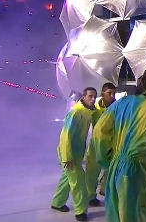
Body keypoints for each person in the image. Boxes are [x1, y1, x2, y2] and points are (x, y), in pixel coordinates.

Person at [92, 66, 146, 222]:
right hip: (137, 172)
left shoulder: (122, 102)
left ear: (144, 83)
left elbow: (99, 132)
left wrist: (106, 160)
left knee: (116, 215)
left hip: (115, 168)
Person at [51, 87, 97, 222]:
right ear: (83, 97)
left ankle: (57, 202)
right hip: (69, 154)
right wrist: (67, 158)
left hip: (75, 153)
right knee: (78, 181)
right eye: (90, 96)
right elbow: (65, 137)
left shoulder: (87, 112)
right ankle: (80, 211)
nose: (92, 99)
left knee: (67, 179)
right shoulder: (76, 113)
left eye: (94, 96)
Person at [85, 83, 117, 207]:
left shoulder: (117, 106)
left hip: (110, 143)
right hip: (95, 145)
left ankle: (105, 190)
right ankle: (90, 196)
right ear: (103, 94)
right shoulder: (94, 108)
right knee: (91, 173)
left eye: (113, 93)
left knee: (111, 169)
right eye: (109, 93)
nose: (112, 96)